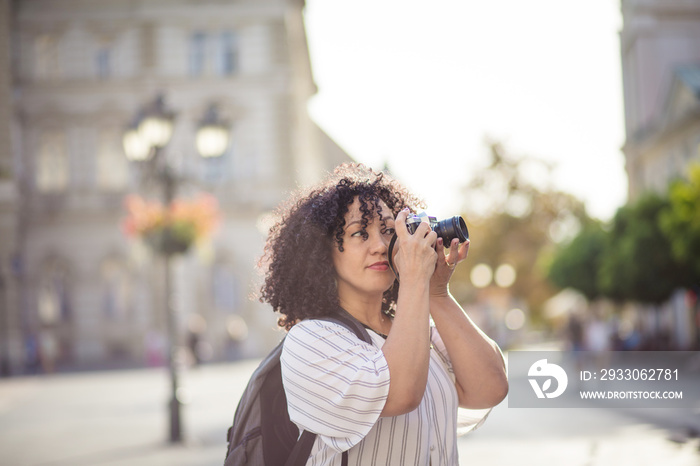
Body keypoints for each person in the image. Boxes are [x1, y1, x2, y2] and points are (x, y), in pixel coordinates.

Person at [258, 164, 508, 465]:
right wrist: (415, 280)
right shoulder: (309, 340)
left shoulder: (419, 330)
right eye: (360, 233)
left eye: (389, 231)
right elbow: (400, 393)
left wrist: (437, 293)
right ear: (323, 252)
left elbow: (490, 388)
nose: (380, 246)